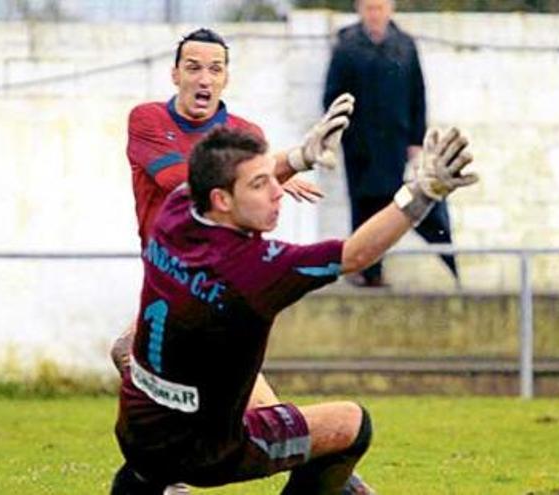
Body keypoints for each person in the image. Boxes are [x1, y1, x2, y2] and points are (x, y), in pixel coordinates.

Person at [110, 125, 477, 493]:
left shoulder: (176, 211)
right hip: (210, 454)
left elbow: (223, 180)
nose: (277, 193)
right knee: (352, 424)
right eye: (260, 185)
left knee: (133, 345)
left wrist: (298, 159)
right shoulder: (254, 269)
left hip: (136, 431)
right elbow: (356, 254)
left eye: (273, 179)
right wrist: (423, 193)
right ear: (221, 200)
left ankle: (139, 481)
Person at [109, 28, 355, 494]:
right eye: (194, 67)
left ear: (226, 78)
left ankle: (171, 474)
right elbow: (181, 183)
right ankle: (333, 467)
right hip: (170, 282)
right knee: (146, 362)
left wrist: (277, 171)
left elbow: (249, 220)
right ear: (175, 73)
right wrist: (284, 163)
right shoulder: (146, 120)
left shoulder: (246, 137)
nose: (204, 78)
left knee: (154, 368)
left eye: (215, 69)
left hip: (216, 290)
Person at [324, 0, 459, 287]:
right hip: (359, 144)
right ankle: (364, 270)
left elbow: (417, 96)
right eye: (370, 8)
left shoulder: (405, 46)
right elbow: (332, 95)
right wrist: (334, 134)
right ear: (360, 9)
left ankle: (378, 267)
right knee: (362, 204)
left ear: (390, 9)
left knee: (393, 203)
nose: (375, 14)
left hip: (394, 143)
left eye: (380, 7)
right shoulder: (347, 47)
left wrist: (415, 141)